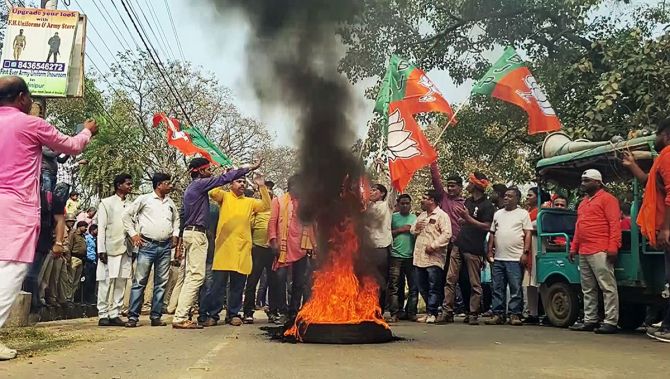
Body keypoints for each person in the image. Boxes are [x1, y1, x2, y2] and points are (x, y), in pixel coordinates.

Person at [0, 76, 94, 360]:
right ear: (21, 98)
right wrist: (87, 131)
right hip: (16, 206)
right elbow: (72, 145)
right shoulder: (30, 124)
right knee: (11, 270)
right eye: (29, 98)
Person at [171, 158, 258, 330]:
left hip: (193, 233)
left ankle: (182, 314)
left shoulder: (194, 187)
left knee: (192, 276)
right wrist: (248, 168)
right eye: (209, 169)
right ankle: (180, 317)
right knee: (196, 277)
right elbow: (222, 180)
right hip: (197, 234)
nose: (211, 171)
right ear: (201, 171)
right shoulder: (199, 185)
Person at [199, 173, 270, 327]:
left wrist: (262, 186)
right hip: (224, 249)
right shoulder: (224, 197)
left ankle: (233, 314)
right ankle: (213, 314)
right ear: (231, 184)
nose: (242, 184)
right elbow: (212, 192)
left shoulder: (250, 202)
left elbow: (266, 206)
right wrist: (224, 176)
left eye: (244, 182)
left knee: (237, 286)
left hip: (241, 250)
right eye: (238, 181)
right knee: (218, 286)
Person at [625, 118, 670, 342]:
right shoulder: (662, 158)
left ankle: (669, 328)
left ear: (665, 134)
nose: (654, 137)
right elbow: (650, 183)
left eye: (656, 133)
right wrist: (631, 164)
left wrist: (666, 228)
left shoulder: (668, 154)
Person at [568, 169, 621, 334]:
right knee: (588, 288)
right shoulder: (583, 202)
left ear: (598, 182)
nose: (583, 183)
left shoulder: (608, 199)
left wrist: (613, 247)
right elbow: (579, 226)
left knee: (607, 286)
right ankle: (590, 320)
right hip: (584, 250)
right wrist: (573, 247)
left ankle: (611, 321)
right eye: (582, 180)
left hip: (601, 249)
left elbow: (614, 224)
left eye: (587, 180)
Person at [123, 173, 180, 327]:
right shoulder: (144, 199)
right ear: (159, 184)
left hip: (165, 246)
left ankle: (156, 316)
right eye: (167, 183)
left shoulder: (170, 203)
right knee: (139, 281)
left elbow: (176, 220)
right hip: (147, 245)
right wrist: (133, 235)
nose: (170, 186)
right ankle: (133, 316)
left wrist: (175, 234)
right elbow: (127, 216)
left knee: (161, 282)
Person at [444, 172, 495, 325]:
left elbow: (486, 226)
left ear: (476, 185)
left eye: (470, 182)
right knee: (450, 279)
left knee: (474, 282)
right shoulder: (468, 201)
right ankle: (447, 311)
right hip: (459, 244)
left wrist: (468, 219)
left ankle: (473, 312)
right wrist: (462, 220)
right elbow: (466, 220)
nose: (467, 184)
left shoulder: (487, 205)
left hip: (474, 248)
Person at [268, 175, 317, 323]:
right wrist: (273, 242)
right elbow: (272, 222)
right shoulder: (278, 201)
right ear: (291, 186)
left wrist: (314, 245)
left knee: (299, 282)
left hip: (301, 248)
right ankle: (282, 311)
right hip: (283, 247)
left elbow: (313, 225)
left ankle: (294, 312)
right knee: (280, 280)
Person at [485, 188, 532, 326]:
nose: (506, 198)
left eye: (510, 196)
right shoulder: (498, 213)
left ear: (517, 199)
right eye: (505, 195)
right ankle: (498, 314)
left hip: (515, 258)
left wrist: (525, 252)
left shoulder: (523, 214)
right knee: (497, 287)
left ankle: (515, 314)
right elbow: (492, 233)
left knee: (515, 287)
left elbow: (527, 233)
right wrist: (489, 251)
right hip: (499, 257)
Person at [96, 174, 134, 328]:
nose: (130, 187)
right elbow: (101, 228)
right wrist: (101, 249)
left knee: (121, 281)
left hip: (126, 247)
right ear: (119, 185)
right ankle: (103, 313)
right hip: (110, 247)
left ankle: (115, 313)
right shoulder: (106, 203)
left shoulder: (131, 205)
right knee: (105, 281)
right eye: (128, 184)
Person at [411, 190, 452, 324]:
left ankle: (433, 312)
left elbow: (447, 234)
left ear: (432, 200)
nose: (422, 200)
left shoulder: (442, 215)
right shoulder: (422, 215)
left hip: (434, 258)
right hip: (419, 257)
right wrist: (417, 226)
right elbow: (412, 231)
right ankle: (429, 311)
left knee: (434, 286)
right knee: (422, 286)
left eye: (424, 198)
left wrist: (433, 245)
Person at [242, 180, 276, 323]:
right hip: (257, 250)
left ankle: (273, 311)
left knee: (274, 282)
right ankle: (248, 312)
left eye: (270, 196)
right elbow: (248, 228)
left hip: (272, 251)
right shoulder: (255, 212)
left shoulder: (276, 212)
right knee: (252, 281)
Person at [386, 194, 418, 323]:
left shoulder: (415, 218)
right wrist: (400, 230)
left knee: (413, 286)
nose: (405, 206)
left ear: (410, 204)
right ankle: (395, 312)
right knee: (395, 286)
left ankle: (411, 313)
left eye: (407, 203)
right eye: (402, 203)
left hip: (411, 256)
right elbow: (386, 233)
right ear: (398, 204)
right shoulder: (392, 218)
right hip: (395, 256)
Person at [364, 183, 393, 309]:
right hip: (368, 249)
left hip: (381, 247)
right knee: (367, 279)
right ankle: (368, 307)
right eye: (370, 190)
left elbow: (394, 191)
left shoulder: (387, 205)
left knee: (380, 280)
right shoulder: (367, 208)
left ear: (382, 193)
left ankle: (379, 309)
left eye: (374, 190)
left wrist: (392, 171)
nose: (371, 192)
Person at [524, 187, 550, 325]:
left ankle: (548, 313)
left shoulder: (543, 211)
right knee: (529, 282)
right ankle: (532, 312)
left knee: (541, 281)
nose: (527, 197)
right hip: (528, 246)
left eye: (530, 195)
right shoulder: (527, 212)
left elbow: (536, 227)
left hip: (538, 246)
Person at [66, 221, 88, 302]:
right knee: (70, 279)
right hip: (74, 258)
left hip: (81, 259)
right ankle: (68, 297)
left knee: (76, 281)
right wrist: (68, 259)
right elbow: (69, 246)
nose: (86, 229)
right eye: (84, 227)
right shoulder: (73, 234)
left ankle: (72, 298)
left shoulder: (83, 236)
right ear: (79, 226)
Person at [83, 224, 98, 305]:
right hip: (88, 261)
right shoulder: (87, 238)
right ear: (92, 230)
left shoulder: (95, 239)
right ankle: (86, 299)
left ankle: (91, 298)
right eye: (96, 230)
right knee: (87, 281)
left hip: (94, 261)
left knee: (93, 281)